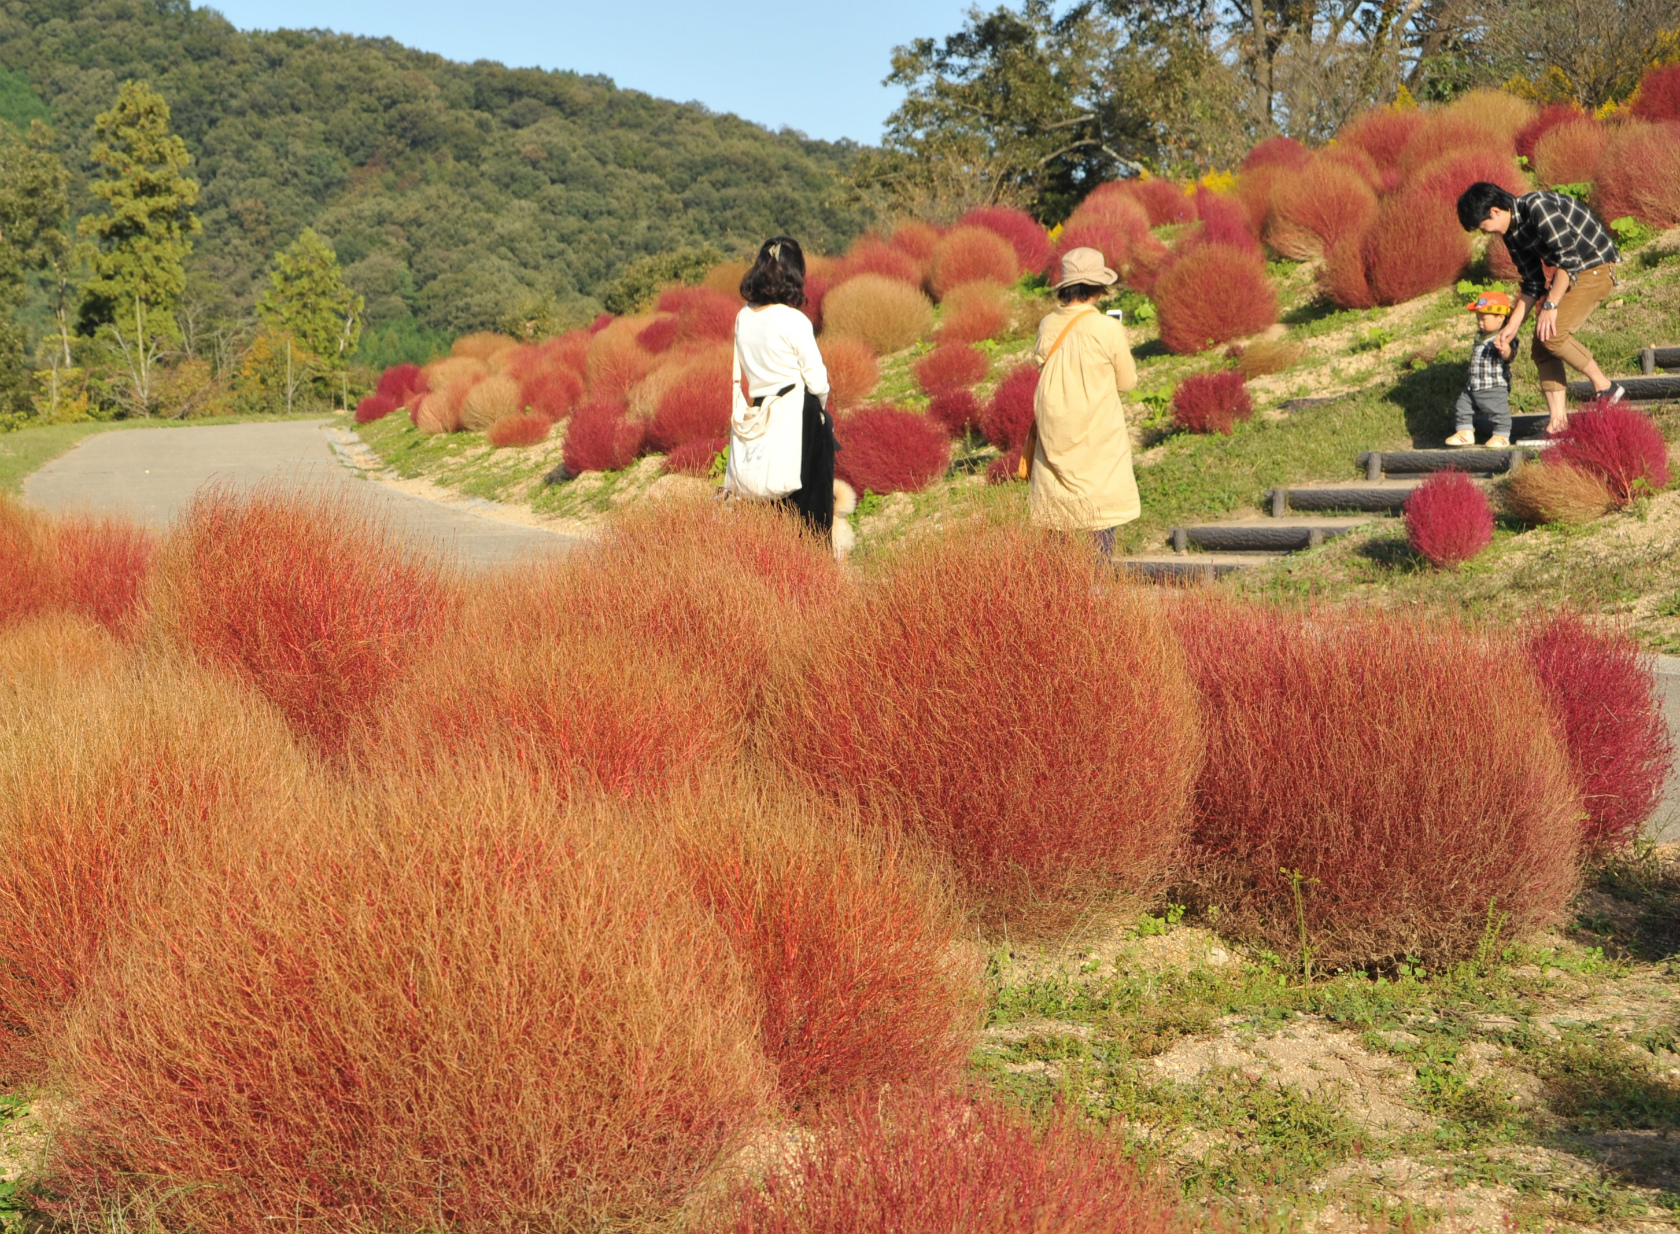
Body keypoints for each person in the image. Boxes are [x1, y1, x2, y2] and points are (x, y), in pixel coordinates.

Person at [1456, 182, 1627, 435]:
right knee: (1541, 343)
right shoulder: (1511, 234)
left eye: (1483, 227)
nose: (1485, 233)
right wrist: (1510, 327)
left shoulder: (1537, 206)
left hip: (1595, 267)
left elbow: (1568, 258)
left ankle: (1605, 386)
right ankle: (1557, 424)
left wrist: (1550, 304)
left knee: (1554, 335)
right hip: (1570, 273)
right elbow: (1532, 282)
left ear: (1494, 211)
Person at [1025, 246, 1139, 555]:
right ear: (1097, 287)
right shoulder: (1107, 328)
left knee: (1056, 515)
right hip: (1097, 436)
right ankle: (1098, 590)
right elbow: (1127, 382)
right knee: (1100, 517)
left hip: (1054, 436)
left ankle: (1059, 590)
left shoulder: (1047, 325)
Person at [731, 236, 836, 536]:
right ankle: (815, 573)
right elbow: (817, 380)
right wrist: (822, 414)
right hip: (798, 414)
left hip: (760, 413)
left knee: (769, 505)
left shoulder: (743, 317)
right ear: (794, 273)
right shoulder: (794, 321)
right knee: (812, 514)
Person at [1446, 291, 1518, 448]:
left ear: (1500, 317)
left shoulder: (1505, 336)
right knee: (1462, 405)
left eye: (1484, 318)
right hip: (1474, 384)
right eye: (1478, 318)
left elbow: (1510, 355)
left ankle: (1502, 435)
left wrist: (1505, 349)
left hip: (1493, 384)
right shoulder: (1481, 336)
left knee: (1498, 411)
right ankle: (1465, 433)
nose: (1480, 322)